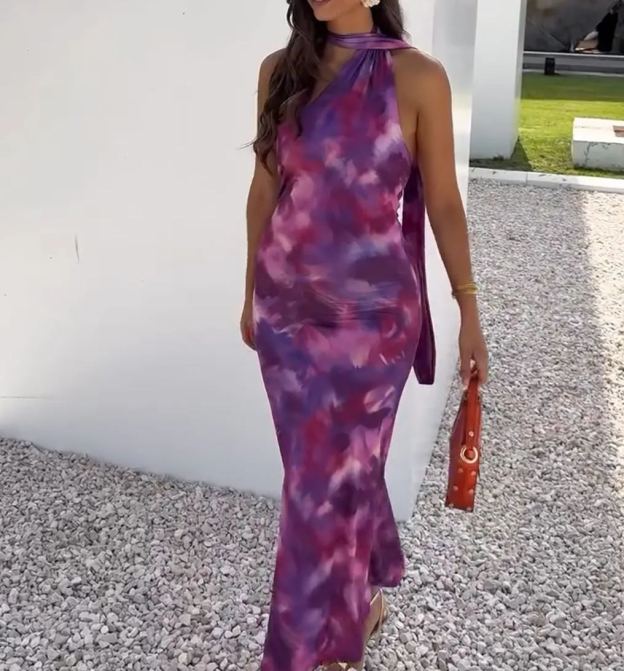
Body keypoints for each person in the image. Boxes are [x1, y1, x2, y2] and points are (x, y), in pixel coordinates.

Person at [240, 1, 488, 669]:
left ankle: (311, 651)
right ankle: (363, 600)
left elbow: (443, 202)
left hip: (372, 326)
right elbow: (263, 190)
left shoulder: (420, 78)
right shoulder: (280, 72)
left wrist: (468, 307)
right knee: (323, 475)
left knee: (323, 486)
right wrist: (249, 292)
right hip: (288, 314)